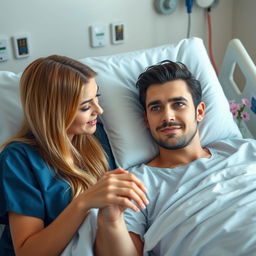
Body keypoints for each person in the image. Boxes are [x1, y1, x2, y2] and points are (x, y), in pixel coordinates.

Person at [95, 60, 256, 255]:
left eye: (178, 104)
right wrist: (109, 220)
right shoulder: (135, 183)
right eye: (156, 108)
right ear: (146, 120)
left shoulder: (245, 149)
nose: (167, 116)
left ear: (199, 111)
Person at [0, 55, 148, 256]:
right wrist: (82, 203)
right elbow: (27, 251)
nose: (99, 110)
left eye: (97, 97)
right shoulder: (19, 159)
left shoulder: (99, 138)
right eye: (86, 106)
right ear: (55, 112)